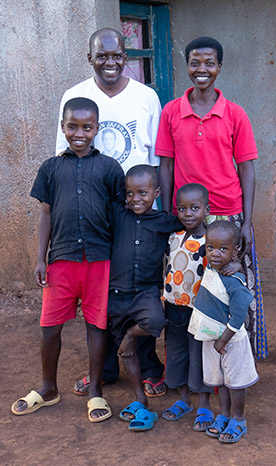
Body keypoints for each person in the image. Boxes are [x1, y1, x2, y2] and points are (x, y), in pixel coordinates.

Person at [56, 27, 165, 396]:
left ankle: (149, 366)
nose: (110, 62)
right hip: (96, 217)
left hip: (138, 209)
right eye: (102, 55)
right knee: (102, 292)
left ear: (127, 56)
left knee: (143, 285)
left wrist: (155, 204)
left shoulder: (146, 97)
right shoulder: (75, 96)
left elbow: (156, 158)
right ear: (90, 58)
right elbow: (64, 157)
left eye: (117, 55)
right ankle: (102, 369)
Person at [11, 98, 125, 423]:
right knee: (49, 328)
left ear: (96, 129)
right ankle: (48, 388)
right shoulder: (50, 168)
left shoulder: (109, 168)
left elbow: (117, 216)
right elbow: (45, 214)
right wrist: (39, 259)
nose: (79, 133)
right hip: (60, 260)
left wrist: (118, 261)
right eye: (72, 126)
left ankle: (95, 391)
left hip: (99, 260)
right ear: (63, 127)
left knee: (96, 326)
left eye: (86, 127)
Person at [156, 36, 267, 360]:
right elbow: (166, 164)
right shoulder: (172, 112)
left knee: (233, 289)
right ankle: (195, 363)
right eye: (195, 62)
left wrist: (246, 221)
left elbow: (247, 170)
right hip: (188, 217)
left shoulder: (234, 114)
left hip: (228, 216)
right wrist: (168, 216)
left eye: (209, 63)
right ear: (187, 66)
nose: (201, 69)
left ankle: (237, 359)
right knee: (190, 288)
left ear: (219, 67)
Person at [162, 183, 241, 431]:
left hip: (201, 312)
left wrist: (237, 266)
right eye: (182, 208)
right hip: (174, 308)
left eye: (194, 208)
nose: (187, 214)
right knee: (176, 355)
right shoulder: (173, 236)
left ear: (207, 209)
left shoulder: (210, 241)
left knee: (200, 358)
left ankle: (204, 404)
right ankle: (183, 399)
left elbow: (229, 260)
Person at [110, 165, 183, 431]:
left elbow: (190, 221)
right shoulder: (118, 214)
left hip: (145, 293)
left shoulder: (164, 221)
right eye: (129, 193)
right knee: (117, 342)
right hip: (115, 293)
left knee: (154, 321)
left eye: (142, 193)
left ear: (157, 193)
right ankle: (140, 398)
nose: (135, 199)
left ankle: (130, 336)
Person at [188, 220, 259, 443]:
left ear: (235, 250)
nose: (215, 254)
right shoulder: (212, 266)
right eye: (211, 248)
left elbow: (239, 317)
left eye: (223, 249)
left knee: (235, 383)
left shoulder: (235, 282)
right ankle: (224, 415)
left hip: (231, 341)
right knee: (221, 382)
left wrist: (223, 341)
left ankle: (238, 420)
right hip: (213, 338)